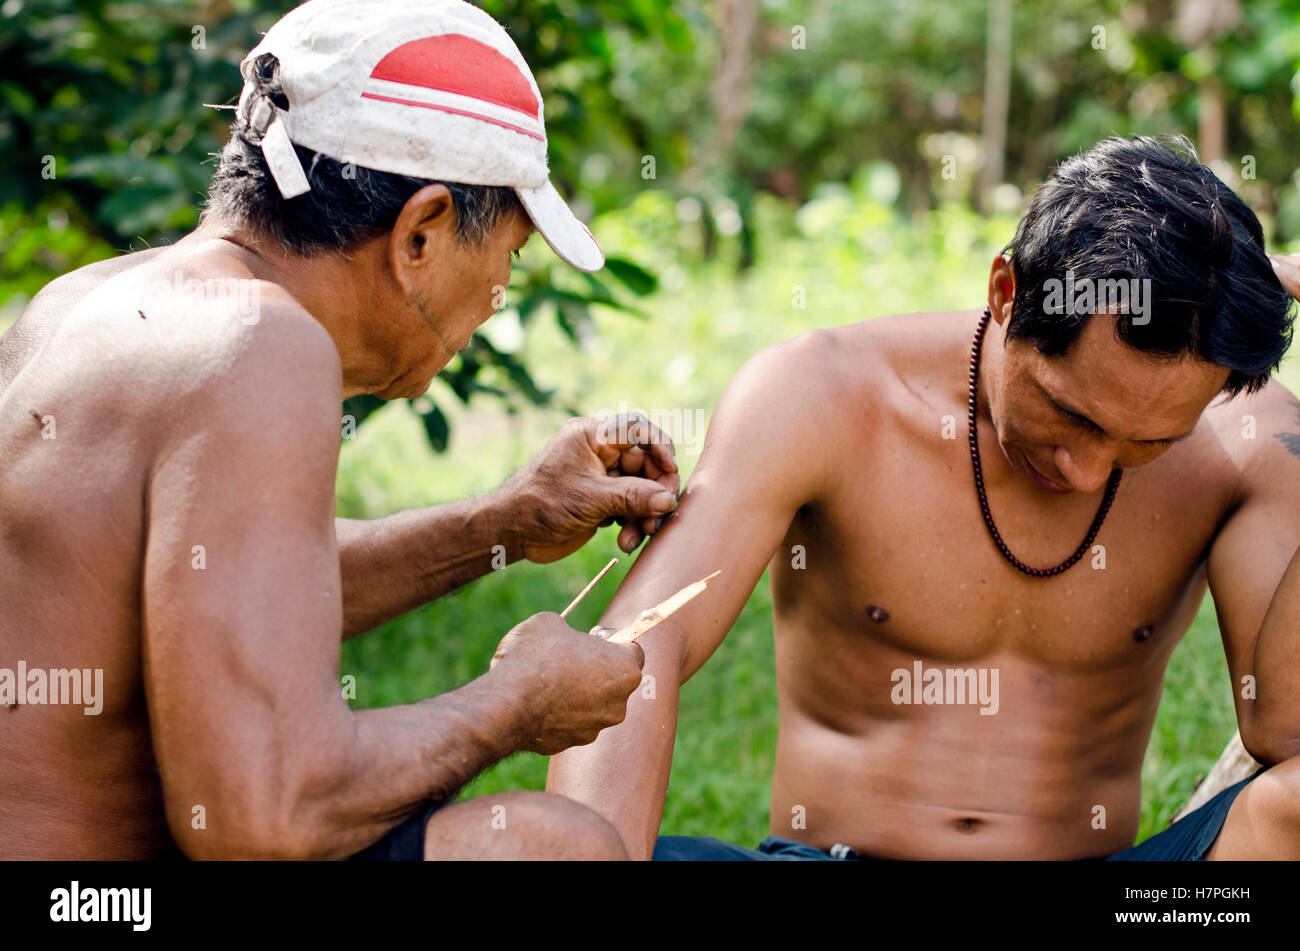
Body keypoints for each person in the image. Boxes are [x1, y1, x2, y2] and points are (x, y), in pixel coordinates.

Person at [0, 0, 680, 860]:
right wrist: (513, 701)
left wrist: (503, 523)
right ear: (422, 233)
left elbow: (229, 589)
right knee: (549, 846)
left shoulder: (92, 300)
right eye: (509, 254)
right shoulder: (259, 344)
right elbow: (267, 816)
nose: (501, 287)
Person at [548, 135, 1300, 861]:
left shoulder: (1247, 444)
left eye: (1150, 444)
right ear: (1007, 293)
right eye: (1073, 415)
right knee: (493, 843)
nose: (1087, 472)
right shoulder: (822, 395)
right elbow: (640, 648)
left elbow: (1285, 732)